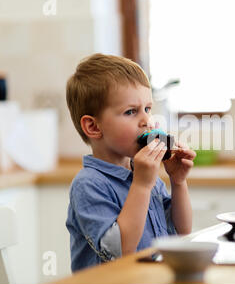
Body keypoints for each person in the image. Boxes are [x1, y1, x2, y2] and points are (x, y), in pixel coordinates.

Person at [65, 53, 195, 272]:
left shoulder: (144, 173)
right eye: (130, 112)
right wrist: (142, 185)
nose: (146, 120)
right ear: (94, 127)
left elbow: (181, 232)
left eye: (147, 109)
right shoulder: (88, 185)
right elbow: (120, 252)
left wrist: (178, 182)